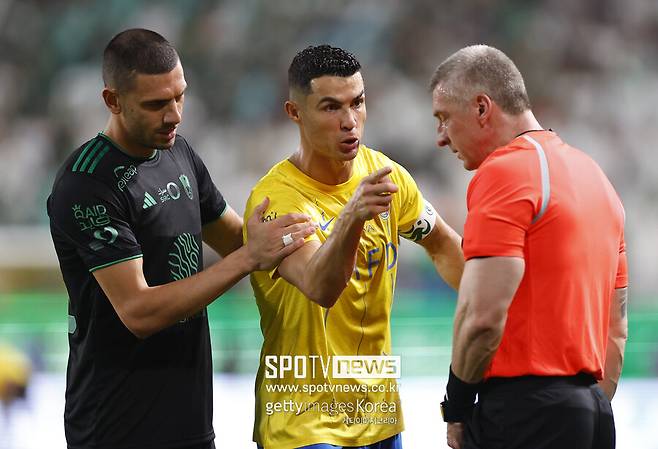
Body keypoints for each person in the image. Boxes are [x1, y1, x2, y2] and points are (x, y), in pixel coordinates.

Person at [47, 29, 315, 449]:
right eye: (156, 104)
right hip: (115, 428)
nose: (174, 115)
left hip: (190, 420)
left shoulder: (179, 152)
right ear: (113, 101)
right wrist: (249, 257)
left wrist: (320, 254)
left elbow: (237, 238)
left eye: (179, 97)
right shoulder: (86, 184)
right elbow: (139, 312)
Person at [244, 45, 465, 449]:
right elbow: (321, 287)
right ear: (295, 112)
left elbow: (444, 246)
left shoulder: (387, 176)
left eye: (357, 103)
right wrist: (352, 216)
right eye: (331, 107)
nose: (349, 121)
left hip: (378, 417)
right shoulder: (277, 201)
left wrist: (501, 307)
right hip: (304, 421)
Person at [429, 45, 628, 449]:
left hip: (524, 413)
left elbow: (481, 317)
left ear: (482, 108)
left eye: (444, 117)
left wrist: (457, 408)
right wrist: (583, 409)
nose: (441, 137)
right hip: (593, 414)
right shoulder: (595, 178)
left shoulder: (504, 172)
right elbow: (616, 330)